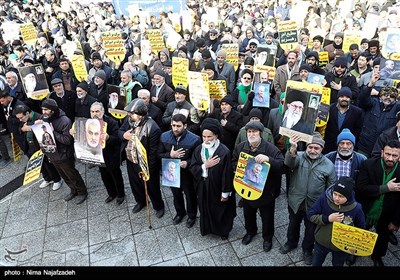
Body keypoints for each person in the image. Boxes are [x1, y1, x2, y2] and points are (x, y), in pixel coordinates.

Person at [280, 133, 336, 265]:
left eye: (316, 148)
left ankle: (307, 250)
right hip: (296, 200)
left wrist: (326, 205)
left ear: (322, 149)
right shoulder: (298, 156)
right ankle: (291, 243)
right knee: (293, 224)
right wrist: (292, 149)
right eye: (310, 147)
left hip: (314, 205)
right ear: (306, 147)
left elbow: (331, 187)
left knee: (311, 230)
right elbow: (288, 162)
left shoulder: (328, 165)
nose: (313, 150)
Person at [233, 120, 284, 252]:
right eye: (249, 131)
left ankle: (267, 238)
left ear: (260, 133)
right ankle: (250, 232)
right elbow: (234, 161)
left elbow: (282, 166)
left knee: (267, 217)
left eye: (254, 131)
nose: (251, 134)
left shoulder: (271, 149)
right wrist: (239, 167)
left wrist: (268, 159)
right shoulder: (241, 147)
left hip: (266, 192)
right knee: (248, 214)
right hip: (246, 188)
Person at [189, 118, 236, 240]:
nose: (206, 140)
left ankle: (223, 231)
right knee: (205, 208)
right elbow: (193, 167)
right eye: (204, 136)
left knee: (221, 209)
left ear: (216, 135)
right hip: (203, 186)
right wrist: (205, 166)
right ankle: (208, 228)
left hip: (217, 187)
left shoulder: (224, 152)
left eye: (209, 137)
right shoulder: (199, 149)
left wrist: (225, 193)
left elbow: (227, 174)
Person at [356, 140, 400, 267]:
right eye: (387, 154)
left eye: (394, 155)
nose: (390, 158)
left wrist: (396, 221)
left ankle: (376, 257)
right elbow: (361, 188)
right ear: (381, 153)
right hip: (366, 210)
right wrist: (385, 188)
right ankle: (355, 253)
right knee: (359, 234)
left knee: (382, 239)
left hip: (387, 215)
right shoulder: (368, 165)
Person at [119, 98, 165, 218]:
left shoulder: (152, 127)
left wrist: (147, 169)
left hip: (145, 162)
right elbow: (120, 131)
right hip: (131, 159)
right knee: (135, 184)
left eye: (132, 113)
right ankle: (141, 201)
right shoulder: (129, 120)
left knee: (152, 187)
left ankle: (158, 206)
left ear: (140, 115)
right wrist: (124, 135)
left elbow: (154, 152)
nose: (129, 115)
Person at [36, 98, 88, 205]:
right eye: (42, 109)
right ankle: (73, 190)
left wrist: (52, 132)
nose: (43, 112)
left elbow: (67, 140)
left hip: (64, 154)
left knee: (72, 174)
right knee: (64, 175)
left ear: (53, 110)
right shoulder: (44, 118)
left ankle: (82, 191)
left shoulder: (65, 121)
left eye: (46, 109)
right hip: (52, 154)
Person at [307, 176, 366, 266]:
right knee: (316, 263)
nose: (336, 198)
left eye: (341, 196)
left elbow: (361, 228)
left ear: (348, 196)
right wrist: (327, 219)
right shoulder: (323, 199)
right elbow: (311, 215)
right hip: (321, 242)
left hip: (341, 247)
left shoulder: (356, 208)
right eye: (335, 194)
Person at [158, 113, 201, 227]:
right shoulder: (164, 136)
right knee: (176, 194)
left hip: (187, 173)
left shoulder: (195, 139)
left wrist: (187, 163)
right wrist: (170, 155)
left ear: (185, 126)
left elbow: (198, 159)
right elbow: (158, 154)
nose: (175, 129)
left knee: (190, 195)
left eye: (178, 126)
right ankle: (180, 213)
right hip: (171, 171)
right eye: (173, 125)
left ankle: (192, 216)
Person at [13, 104, 62, 190]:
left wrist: (32, 127)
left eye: (21, 118)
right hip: (30, 146)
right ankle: (47, 178)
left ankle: (56, 179)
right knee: (39, 164)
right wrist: (22, 129)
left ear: (27, 113)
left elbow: (45, 130)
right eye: (19, 118)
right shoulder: (24, 120)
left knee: (48, 164)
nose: (20, 120)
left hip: (41, 146)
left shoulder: (39, 117)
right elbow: (19, 128)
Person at [90, 102, 125, 205]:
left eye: (97, 111)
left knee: (115, 175)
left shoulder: (111, 122)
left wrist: (109, 138)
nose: (94, 114)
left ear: (103, 111)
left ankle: (120, 194)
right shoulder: (89, 123)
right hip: (98, 154)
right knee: (104, 175)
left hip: (111, 154)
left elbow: (118, 140)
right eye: (92, 111)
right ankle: (111, 193)